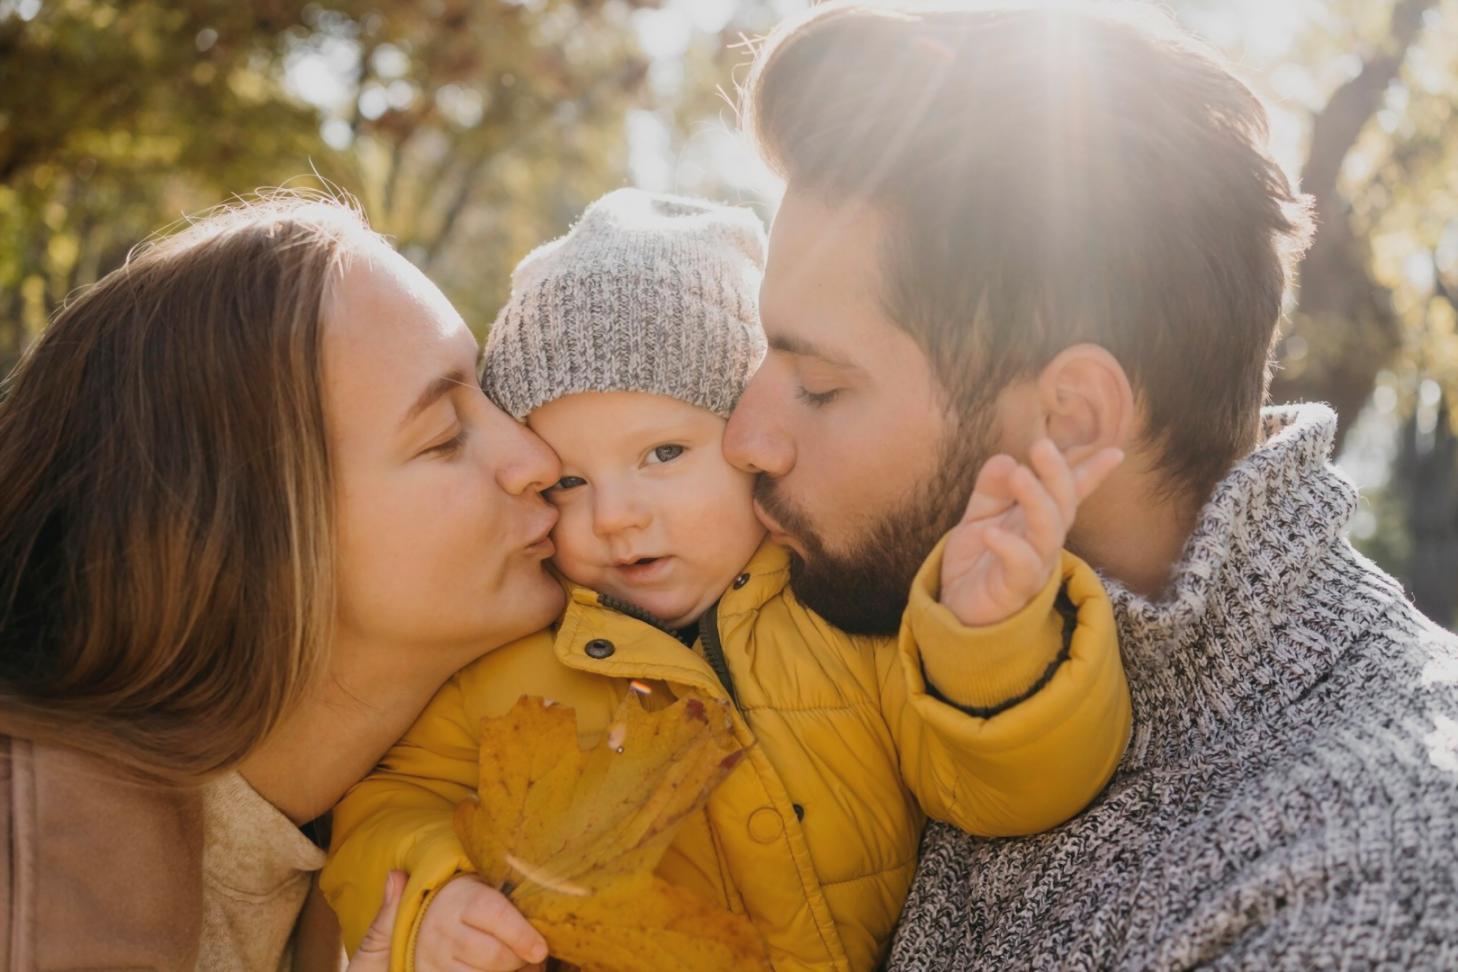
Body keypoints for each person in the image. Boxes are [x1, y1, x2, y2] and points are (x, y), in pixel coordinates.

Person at [726, 2, 1458, 968]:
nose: (743, 438)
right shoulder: (851, 635)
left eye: (820, 385)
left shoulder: (1370, 878)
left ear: (1070, 420)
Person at [321, 188, 1131, 972]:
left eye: (663, 454)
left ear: (751, 440)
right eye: (569, 481)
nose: (615, 515)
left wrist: (991, 644)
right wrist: (434, 898)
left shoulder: (840, 613)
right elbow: (383, 809)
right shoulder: (506, 663)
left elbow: (1010, 795)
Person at [0, 192, 565, 970]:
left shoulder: (417, 843)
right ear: (245, 534)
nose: (539, 460)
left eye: (492, 397)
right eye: (444, 437)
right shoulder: (23, 881)